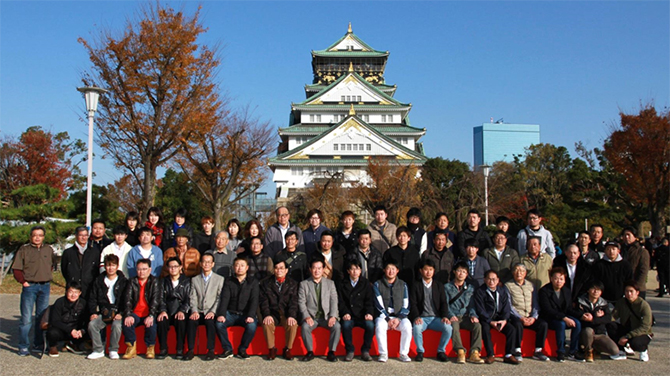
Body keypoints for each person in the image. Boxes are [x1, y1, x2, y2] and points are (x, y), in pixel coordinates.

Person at [13, 225, 56, 355]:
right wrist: (23, 282)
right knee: (26, 318)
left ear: (43, 237)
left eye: (40, 235)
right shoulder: (24, 249)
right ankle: (23, 345)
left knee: (41, 317)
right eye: (35, 235)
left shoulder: (48, 249)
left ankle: (38, 344)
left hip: (45, 286)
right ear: (31, 236)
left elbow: (52, 265)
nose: (37, 237)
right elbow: (16, 269)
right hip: (30, 287)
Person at [504, 263, 550, 362]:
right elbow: (509, 306)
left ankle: (538, 350)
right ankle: (517, 350)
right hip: (516, 316)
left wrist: (533, 317)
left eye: (521, 271)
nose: (519, 273)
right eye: (516, 270)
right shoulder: (508, 285)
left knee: (543, 324)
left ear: (525, 273)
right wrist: (520, 317)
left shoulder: (531, 285)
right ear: (512, 272)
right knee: (516, 324)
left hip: (530, 316)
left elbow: (535, 304)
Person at [473, 270, 519, 365]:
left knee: (512, 329)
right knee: (485, 329)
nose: (491, 281)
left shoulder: (502, 291)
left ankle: (509, 355)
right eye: (489, 279)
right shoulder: (480, 292)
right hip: (486, 319)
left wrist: (504, 320)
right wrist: (490, 321)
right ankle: (490, 354)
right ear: (485, 280)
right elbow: (480, 310)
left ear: (498, 280)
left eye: (494, 279)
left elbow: (507, 308)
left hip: (499, 318)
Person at [298, 258, 340, 362]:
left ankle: (331, 352)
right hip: (312, 317)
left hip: (326, 317)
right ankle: (310, 352)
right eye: (314, 268)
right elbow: (301, 302)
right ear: (310, 269)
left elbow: (334, 301)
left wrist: (333, 316)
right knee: (305, 327)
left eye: (319, 268)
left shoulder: (330, 284)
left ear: (323, 269)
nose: (317, 271)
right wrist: (306, 316)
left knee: (337, 326)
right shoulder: (304, 284)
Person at [216, 257, 259, 359]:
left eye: (242, 265)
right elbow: (224, 299)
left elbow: (254, 300)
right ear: (233, 267)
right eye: (237, 265)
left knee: (252, 326)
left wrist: (251, 315)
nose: (239, 268)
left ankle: (242, 349)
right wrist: (221, 314)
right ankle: (227, 349)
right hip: (230, 313)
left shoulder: (253, 282)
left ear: (247, 268)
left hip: (245, 314)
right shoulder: (229, 281)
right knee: (219, 324)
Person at [409, 259, 452, 362]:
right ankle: (420, 351)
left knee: (448, 328)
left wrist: (445, 316)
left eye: (431, 269)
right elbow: (413, 303)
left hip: (436, 318)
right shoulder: (416, 285)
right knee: (417, 328)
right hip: (422, 318)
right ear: (421, 271)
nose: (428, 272)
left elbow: (443, 303)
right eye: (426, 270)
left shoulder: (438, 285)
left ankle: (441, 351)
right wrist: (416, 316)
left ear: (434, 271)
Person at [538, 267, 583, 362]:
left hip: (563, 316)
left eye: (561, 279)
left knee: (577, 323)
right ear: (551, 279)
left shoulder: (566, 291)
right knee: (561, 324)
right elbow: (548, 310)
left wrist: (581, 315)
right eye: (556, 278)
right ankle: (560, 351)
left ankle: (573, 351)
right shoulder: (544, 291)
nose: (559, 281)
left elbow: (569, 309)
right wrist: (564, 318)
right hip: (550, 318)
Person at [87, 254, 127, 360]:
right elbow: (92, 298)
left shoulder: (124, 281)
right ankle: (98, 349)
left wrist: (121, 313)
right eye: (108, 265)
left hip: (118, 311)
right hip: (104, 311)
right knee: (92, 325)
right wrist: (93, 312)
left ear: (117, 266)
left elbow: (127, 300)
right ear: (104, 266)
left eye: (113, 265)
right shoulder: (98, 281)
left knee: (117, 326)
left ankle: (113, 349)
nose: (110, 268)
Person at [186, 253, 225, 361]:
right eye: (204, 261)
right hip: (198, 310)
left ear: (213, 264)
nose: (206, 264)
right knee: (191, 322)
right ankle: (190, 350)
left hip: (211, 310)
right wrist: (194, 311)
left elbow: (219, 298)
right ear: (200, 264)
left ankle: (211, 350)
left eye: (209, 262)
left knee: (210, 323)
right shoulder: (195, 279)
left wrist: (213, 311)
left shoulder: (219, 279)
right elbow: (192, 297)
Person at [259, 260, 300, 361]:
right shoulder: (266, 283)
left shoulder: (293, 284)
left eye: (281, 268)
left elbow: (294, 302)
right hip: (273, 313)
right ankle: (272, 349)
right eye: (276, 268)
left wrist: (291, 315)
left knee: (292, 324)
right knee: (267, 323)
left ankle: (287, 349)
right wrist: (267, 314)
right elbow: (263, 302)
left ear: (286, 270)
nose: (278, 270)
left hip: (286, 313)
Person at [373, 259, 412, 363]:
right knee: (380, 326)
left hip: (399, 317)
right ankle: (383, 353)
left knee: (407, 326)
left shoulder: (403, 284)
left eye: (393, 269)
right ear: (384, 270)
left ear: (397, 270)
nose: (391, 271)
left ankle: (404, 353)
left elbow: (406, 304)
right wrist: (387, 318)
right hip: (383, 316)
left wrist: (398, 319)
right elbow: (378, 303)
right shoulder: (377, 284)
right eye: (388, 269)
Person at [445, 261, 484, 364]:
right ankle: (460, 351)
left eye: (464, 272)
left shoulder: (470, 288)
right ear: (454, 272)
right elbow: (445, 305)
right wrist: (450, 315)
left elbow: (472, 305)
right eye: (459, 271)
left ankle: (474, 352)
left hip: (465, 316)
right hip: (454, 315)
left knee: (477, 325)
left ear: (467, 274)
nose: (461, 273)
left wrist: (473, 315)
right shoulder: (447, 287)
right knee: (453, 324)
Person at [337, 258, 375, 362]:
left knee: (370, 325)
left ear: (360, 271)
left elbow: (369, 301)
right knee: (346, 325)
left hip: (362, 314)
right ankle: (350, 350)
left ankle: (365, 350)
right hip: (349, 314)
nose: (355, 271)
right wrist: (345, 313)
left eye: (357, 269)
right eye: (352, 269)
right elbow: (340, 301)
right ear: (348, 271)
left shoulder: (366, 283)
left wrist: (369, 313)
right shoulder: (342, 283)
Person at [122, 258, 160, 360]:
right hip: (135, 313)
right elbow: (127, 300)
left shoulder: (154, 281)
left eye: (144, 269)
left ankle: (150, 347)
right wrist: (128, 314)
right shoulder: (132, 281)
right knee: (127, 322)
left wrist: (151, 315)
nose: (141, 272)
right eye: (139, 269)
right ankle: (131, 347)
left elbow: (155, 300)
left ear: (149, 269)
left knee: (151, 325)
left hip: (148, 312)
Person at [606, 281, 653, 362]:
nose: (629, 294)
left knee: (635, 343)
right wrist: (602, 319)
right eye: (626, 291)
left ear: (637, 292)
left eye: (631, 291)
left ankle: (643, 350)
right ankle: (621, 351)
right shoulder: (622, 302)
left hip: (642, 332)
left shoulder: (643, 305)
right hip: (627, 329)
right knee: (610, 325)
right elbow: (613, 316)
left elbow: (645, 326)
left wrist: (627, 336)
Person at [575, 280, 620, 362]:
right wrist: (595, 318)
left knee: (614, 350)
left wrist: (593, 319)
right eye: (593, 289)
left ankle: (595, 349)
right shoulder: (581, 301)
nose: (595, 292)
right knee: (588, 331)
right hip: (586, 333)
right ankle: (588, 351)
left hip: (600, 333)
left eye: (598, 290)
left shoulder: (603, 303)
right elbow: (578, 315)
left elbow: (608, 319)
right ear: (588, 290)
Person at [156, 257, 190, 359]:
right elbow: (160, 298)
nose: (173, 269)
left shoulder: (187, 281)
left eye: (175, 266)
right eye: (170, 267)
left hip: (180, 309)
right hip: (167, 309)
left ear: (180, 267)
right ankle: (163, 349)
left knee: (181, 321)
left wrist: (182, 311)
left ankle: (179, 349)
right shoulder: (163, 281)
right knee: (161, 320)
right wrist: (162, 310)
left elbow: (188, 299)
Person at [46, 282, 88, 357]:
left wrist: (82, 330)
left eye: (76, 292)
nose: (73, 295)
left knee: (92, 328)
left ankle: (73, 344)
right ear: (66, 292)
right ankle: (53, 347)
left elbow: (86, 319)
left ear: (80, 293)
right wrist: (70, 330)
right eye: (71, 292)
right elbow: (55, 321)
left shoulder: (83, 303)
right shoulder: (59, 302)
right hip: (62, 329)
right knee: (52, 332)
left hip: (76, 330)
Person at [61, 226, 101, 298]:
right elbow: (64, 269)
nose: (83, 238)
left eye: (85, 235)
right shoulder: (68, 253)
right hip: (73, 289)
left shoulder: (95, 252)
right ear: (76, 236)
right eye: (81, 235)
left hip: (89, 288)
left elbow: (97, 270)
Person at [620, 227, 650, 299]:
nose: (626, 237)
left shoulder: (641, 251)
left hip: (637, 287)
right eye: (624, 235)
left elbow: (643, 271)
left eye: (628, 235)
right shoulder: (620, 250)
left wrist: (636, 287)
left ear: (635, 236)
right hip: (622, 286)